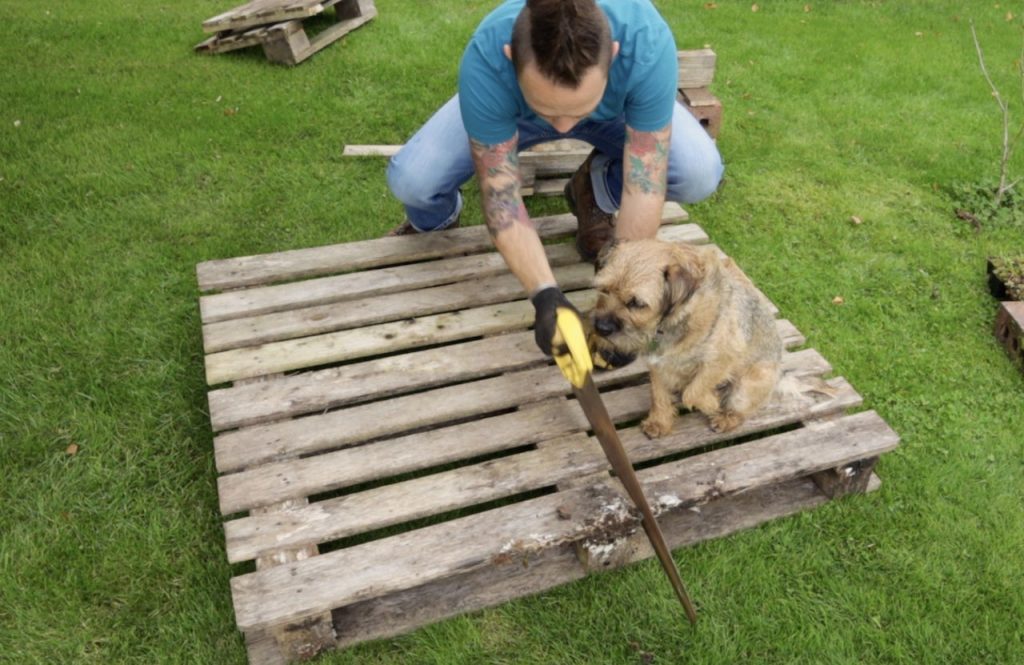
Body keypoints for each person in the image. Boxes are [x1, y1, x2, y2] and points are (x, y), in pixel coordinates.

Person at [386, 0, 724, 367]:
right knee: (414, 180)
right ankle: (439, 219)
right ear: (511, 56)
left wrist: (616, 314)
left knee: (697, 171)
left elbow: (643, 185)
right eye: (551, 112)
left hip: (617, 112)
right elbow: (503, 199)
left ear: (612, 54)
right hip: (515, 114)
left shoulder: (646, 45)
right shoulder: (488, 59)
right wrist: (544, 293)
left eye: (576, 111)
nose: (563, 128)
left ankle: (593, 187)